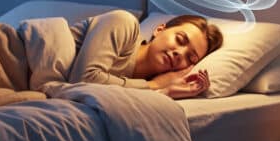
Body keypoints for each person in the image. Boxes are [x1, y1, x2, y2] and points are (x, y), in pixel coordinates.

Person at [67, 10, 223, 99]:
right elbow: (82, 82)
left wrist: (164, 92)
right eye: (180, 39)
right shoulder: (124, 23)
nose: (179, 53)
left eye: (190, 58)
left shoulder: (141, 91)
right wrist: (155, 85)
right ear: (159, 30)